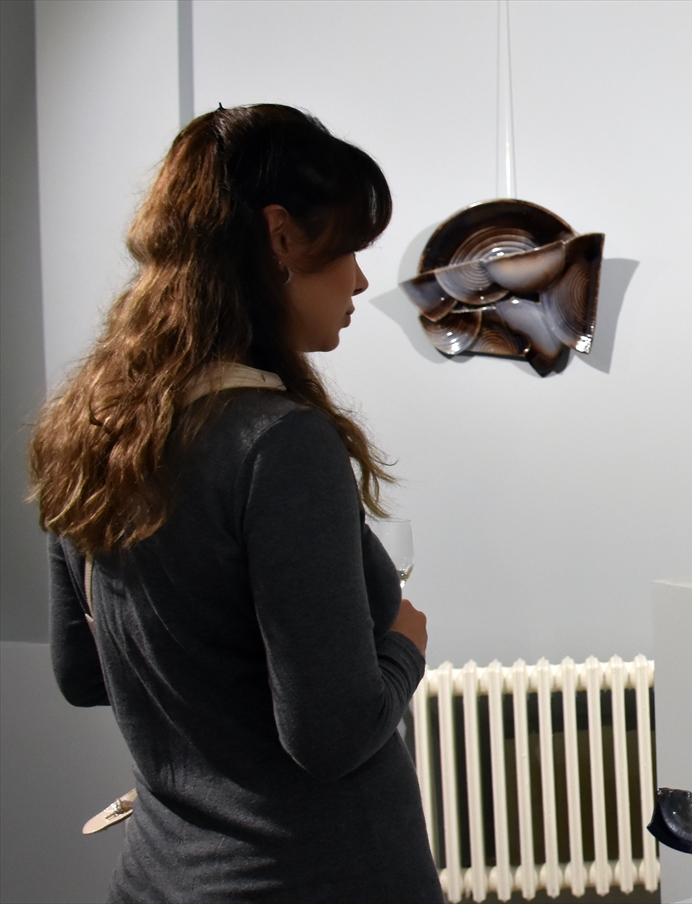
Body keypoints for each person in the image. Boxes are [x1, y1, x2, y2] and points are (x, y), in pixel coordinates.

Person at [28, 104, 442, 903]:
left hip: (161, 876)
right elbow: (330, 736)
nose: (360, 280)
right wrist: (403, 645)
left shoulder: (93, 431)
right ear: (281, 236)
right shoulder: (278, 444)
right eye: (347, 248)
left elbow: (82, 673)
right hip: (314, 876)